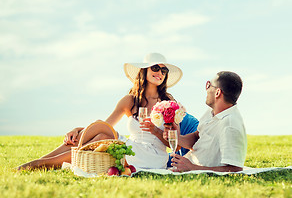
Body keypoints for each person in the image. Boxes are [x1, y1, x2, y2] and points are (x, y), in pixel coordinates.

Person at [17, 53, 183, 170]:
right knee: (102, 134)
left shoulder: (168, 103)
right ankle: (44, 160)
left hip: (152, 156)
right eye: (155, 68)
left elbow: (175, 145)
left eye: (164, 71)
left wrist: (154, 130)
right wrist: (79, 129)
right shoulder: (130, 101)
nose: (160, 73)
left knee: (103, 136)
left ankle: (42, 164)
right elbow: (104, 125)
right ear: (144, 71)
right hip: (133, 146)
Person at [164, 71, 247, 172]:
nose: (206, 89)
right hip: (186, 164)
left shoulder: (230, 125)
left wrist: (192, 168)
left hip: (193, 169)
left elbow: (236, 169)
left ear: (217, 93)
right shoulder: (211, 112)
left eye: (209, 85)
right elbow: (196, 137)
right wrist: (176, 138)